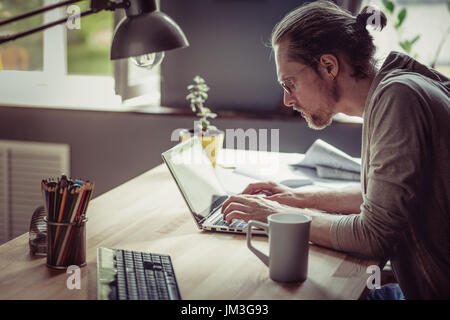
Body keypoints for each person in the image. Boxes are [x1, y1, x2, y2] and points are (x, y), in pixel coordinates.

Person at [221, 0, 450, 299]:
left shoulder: (398, 99)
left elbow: (374, 236)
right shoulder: (394, 91)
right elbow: (382, 202)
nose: (288, 100)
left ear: (328, 66)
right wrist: (295, 200)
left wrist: (274, 215)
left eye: (290, 83)